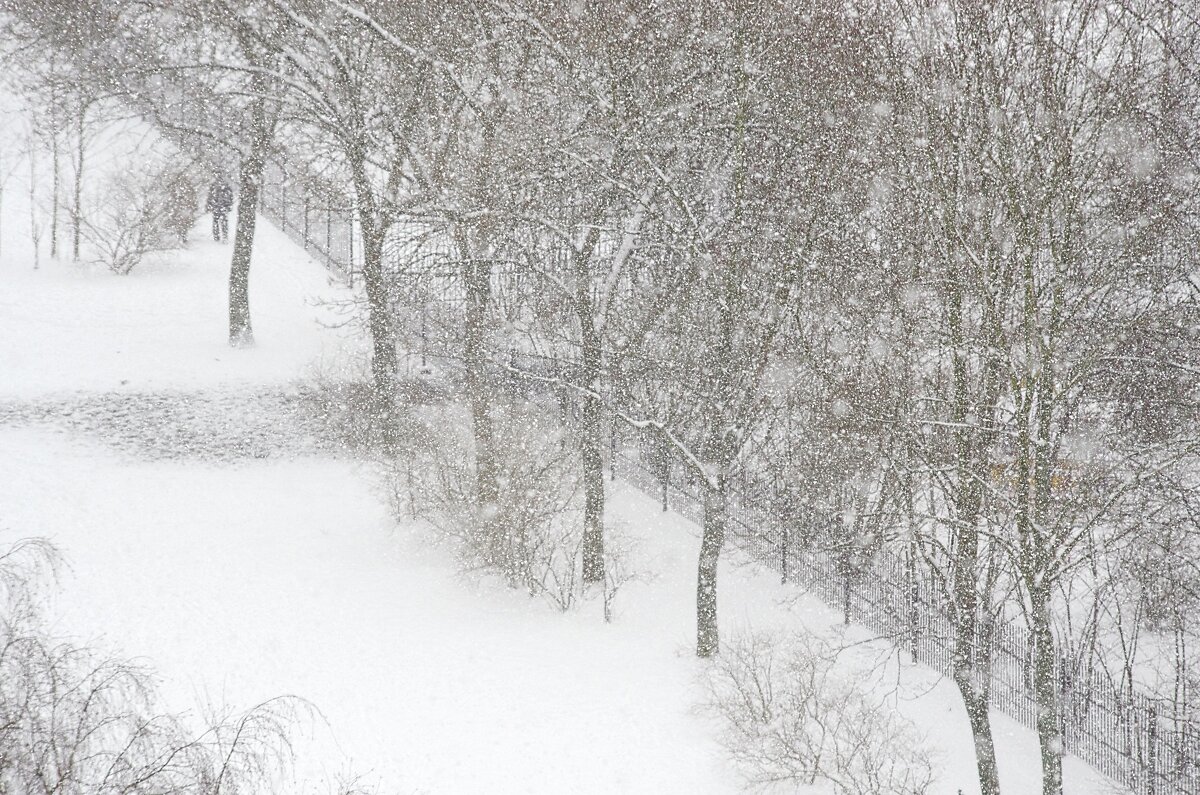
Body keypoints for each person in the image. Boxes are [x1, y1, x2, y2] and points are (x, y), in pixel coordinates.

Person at [164, 171, 197, 244]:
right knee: (182, 222)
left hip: (183, 207)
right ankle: (182, 235)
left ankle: (182, 235)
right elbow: (192, 196)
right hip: (183, 207)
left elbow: (192, 196)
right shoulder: (183, 186)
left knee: (182, 222)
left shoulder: (178, 186)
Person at [205, 177, 234, 242]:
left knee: (216, 221)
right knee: (224, 222)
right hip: (224, 206)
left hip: (216, 206)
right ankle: (224, 236)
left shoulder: (213, 186)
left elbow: (210, 196)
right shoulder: (226, 186)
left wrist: (209, 205)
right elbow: (230, 196)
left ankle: (217, 236)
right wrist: (229, 205)